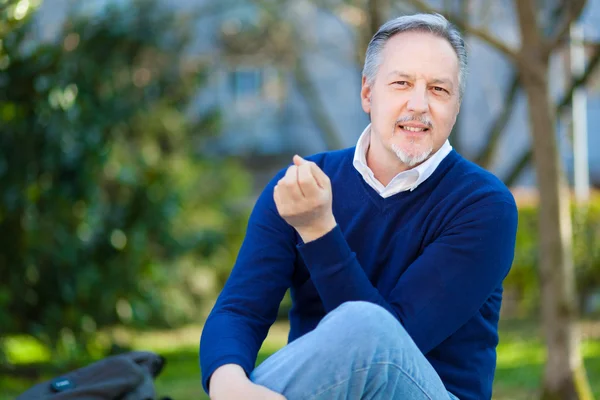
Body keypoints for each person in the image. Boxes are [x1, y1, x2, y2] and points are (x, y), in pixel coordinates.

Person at [200, 12, 518, 400]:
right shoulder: (302, 184)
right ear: (368, 93)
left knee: (367, 325)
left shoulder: (484, 205)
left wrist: (318, 229)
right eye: (402, 83)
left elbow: (385, 346)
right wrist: (228, 385)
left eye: (439, 90)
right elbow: (239, 311)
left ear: (456, 106)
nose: (419, 104)